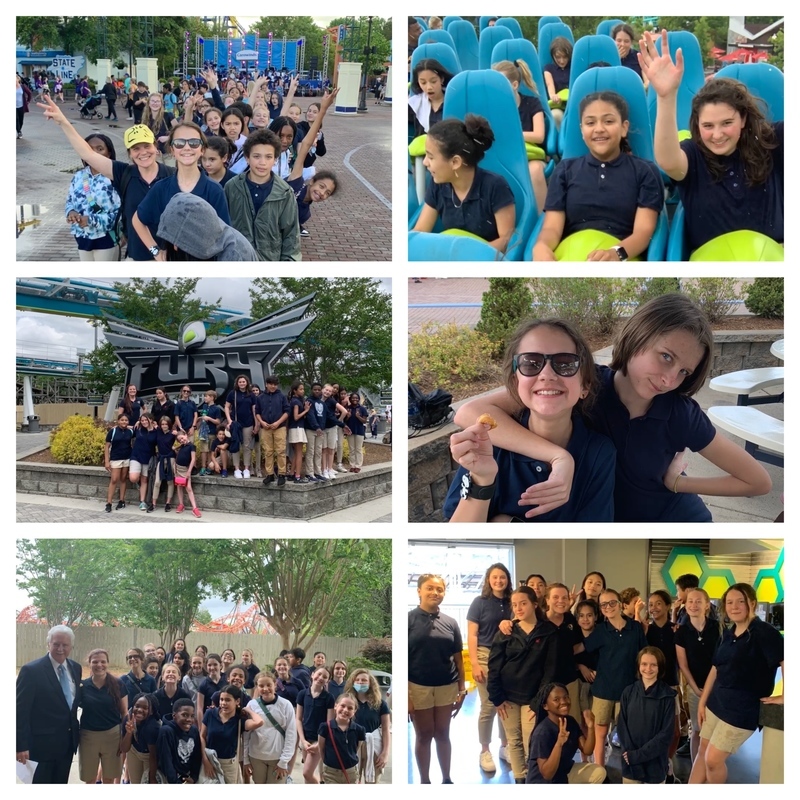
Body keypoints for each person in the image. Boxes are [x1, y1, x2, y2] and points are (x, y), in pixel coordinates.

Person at [456, 292, 772, 521]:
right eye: (666, 357)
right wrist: (557, 456)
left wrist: (678, 482)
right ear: (638, 336)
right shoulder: (581, 382)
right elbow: (469, 413)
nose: (669, 379)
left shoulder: (680, 415)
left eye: (683, 372)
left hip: (674, 522)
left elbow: (758, 481)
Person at [445, 317, 615, 521]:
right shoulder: (489, 443)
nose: (547, 374)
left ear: (585, 386)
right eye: (531, 363)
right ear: (516, 381)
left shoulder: (599, 454)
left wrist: (505, 523)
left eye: (565, 364)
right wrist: (482, 479)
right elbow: (459, 540)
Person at [640, 29, 783, 255]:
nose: (717, 135)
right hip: (710, 258)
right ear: (697, 126)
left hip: (772, 256)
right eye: (708, 126)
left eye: (727, 123)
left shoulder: (772, 141)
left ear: (743, 118)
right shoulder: (694, 155)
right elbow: (668, 161)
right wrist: (666, 97)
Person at [38, 95, 176, 261]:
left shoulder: (172, 175)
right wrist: (63, 122)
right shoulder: (123, 173)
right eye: (136, 149)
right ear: (130, 154)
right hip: (137, 255)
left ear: (155, 147)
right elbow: (87, 153)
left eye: (147, 146)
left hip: (170, 256)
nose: (143, 152)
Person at [533, 91, 663, 261]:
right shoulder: (565, 170)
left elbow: (643, 233)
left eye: (608, 121)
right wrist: (541, 246)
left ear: (624, 127)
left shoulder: (645, 171)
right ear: (582, 130)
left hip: (621, 258)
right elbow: (552, 228)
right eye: (590, 123)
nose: (599, 129)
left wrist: (616, 254)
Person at [690, 582, 784, 784]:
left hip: (742, 711)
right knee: (702, 750)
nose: (734, 607)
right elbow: (715, 668)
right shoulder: (728, 632)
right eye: (730, 602)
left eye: (740, 601)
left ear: (752, 603)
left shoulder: (765, 633)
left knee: (713, 760)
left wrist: (787, 696)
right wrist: (702, 701)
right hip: (716, 703)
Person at [413, 114, 516, 253]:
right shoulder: (438, 184)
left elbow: (507, 239)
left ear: (455, 162)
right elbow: (420, 231)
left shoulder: (495, 186)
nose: (425, 162)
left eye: (431, 157)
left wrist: (469, 256)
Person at [487, 585, 558, 782]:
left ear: (535, 604)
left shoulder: (548, 632)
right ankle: (520, 779)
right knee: (513, 741)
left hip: (533, 698)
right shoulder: (505, 632)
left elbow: (549, 670)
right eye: (515, 605)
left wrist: (538, 701)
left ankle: (534, 781)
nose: (518, 608)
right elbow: (494, 667)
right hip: (507, 697)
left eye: (523, 603)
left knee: (532, 741)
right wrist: (497, 698)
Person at [133, 123, 230, 261]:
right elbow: (137, 220)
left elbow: (224, 236)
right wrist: (156, 252)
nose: (187, 147)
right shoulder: (161, 188)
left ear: (202, 149)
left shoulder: (214, 190)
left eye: (194, 143)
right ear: (172, 150)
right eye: (179, 143)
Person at [573, 589, 647, 766]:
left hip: (628, 690)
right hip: (603, 690)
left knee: (627, 734)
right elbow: (581, 649)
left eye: (612, 602)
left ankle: (629, 771)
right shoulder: (600, 630)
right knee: (600, 733)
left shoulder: (635, 628)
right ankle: (600, 769)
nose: (608, 607)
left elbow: (644, 655)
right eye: (604, 604)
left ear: (620, 604)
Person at [408, 574, 466, 784]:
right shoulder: (408, 619)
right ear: (419, 591)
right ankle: (424, 781)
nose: (435, 593)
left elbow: (459, 660)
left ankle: (447, 779)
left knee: (443, 733)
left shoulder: (451, 623)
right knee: (424, 734)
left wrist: (462, 689)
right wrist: (406, 696)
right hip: (417, 687)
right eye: (430, 588)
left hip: (447, 686)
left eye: (439, 589)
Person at [224, 127, 301, 261]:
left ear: (275, 159)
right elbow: (223, 226)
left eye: (268, 157)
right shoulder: (232, 187)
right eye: (256, 156)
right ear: (247, 158)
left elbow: (291, 235)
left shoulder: (285, 193)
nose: (262, 162)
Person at [16, 625, 81, 783]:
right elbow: (20, 711)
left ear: (71, 646)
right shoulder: (31, 671)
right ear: (48, 644)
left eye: (65, 645)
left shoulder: (76, 668)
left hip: (66, 746)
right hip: (41, 748)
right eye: (56, 644)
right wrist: (20, 745)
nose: (60, 649)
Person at [466, 563, 512, 773]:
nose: (499, 581)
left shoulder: (512, 601)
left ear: (507, 579)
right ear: (488, 580)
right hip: (485, 656)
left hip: (509, 657)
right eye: (495, 577)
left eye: (502, 577)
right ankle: (485, 750)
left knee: (505, 704)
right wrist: (475, 663)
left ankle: (505, 746)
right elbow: (472, 634)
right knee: (489, 705)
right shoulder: (480, 602)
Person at [493, 59, 548, 211]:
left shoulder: (532, 103)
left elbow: (539, 136)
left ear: (515, 85)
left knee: (534, 170)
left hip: (532, 156)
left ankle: (543, 217)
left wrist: (512, 135)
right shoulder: (495, 109)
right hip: (505, 157)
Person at [675, 588, 722, 762]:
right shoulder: (681, 632)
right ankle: (697, 767)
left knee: (716, 730)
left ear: (707, 605)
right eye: (690, 601)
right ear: (685, 605)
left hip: (718, 688)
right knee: (697, 729)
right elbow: (683, 665)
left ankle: (712, 764)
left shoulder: (718, 628)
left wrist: (710, 688)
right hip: (695, 688)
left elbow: (720, 660)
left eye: (698, 601)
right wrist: (697, 690)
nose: (693, 605)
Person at [617, 647, 678, 783]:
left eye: (653, 665)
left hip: (654, 762)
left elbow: (666, 734)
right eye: (644, 664)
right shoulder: (628, 692)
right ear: (639, 666)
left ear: (660, 667)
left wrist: (638, 755)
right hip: (630, 760)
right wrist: (630, 754)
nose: (648, 669)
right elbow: (622, 725)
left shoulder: (667, 696)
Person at [284, 89, 339, 238]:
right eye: (322, 187)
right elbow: (306, 146)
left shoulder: (305, 213)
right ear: (312, 181)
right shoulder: (296, 182)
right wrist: (323, 110)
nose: (322, 193)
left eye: (327, 193)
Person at [525, 682, 605, 783]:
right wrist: (559, 743)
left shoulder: (570, 721)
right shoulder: (542, 732)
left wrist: (591, 727)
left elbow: (587, 750)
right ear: (545, 706)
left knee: (598, 772)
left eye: (566, 697)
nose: (563, 702)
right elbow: (547, 775)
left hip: (563, 773)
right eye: (556, 699)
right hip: (543, 782)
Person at [65, 134, 121, 261]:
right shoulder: (79, 176)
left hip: (105, 238)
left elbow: (120, 214)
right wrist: (71, 212)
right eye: (89, 149)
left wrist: (90, 220)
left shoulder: (115, 177)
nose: (94, 153)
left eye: (100, 149)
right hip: (82, 237)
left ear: (109, 153)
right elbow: (69, 201)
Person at [78, 648, 127, 783]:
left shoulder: (118, 684)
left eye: (103, 662)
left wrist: (125, 735)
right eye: (95, 662)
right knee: (90, 778)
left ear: (108, 663)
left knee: (109, 777)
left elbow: (124, 712)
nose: (99, 665)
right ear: (89, 664)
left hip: (112, 735)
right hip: (88, 736)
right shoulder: (82, 686)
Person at [201, 684, 262, 784]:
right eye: (221, 699)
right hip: (210, 761)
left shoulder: (239, 720)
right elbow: (202, 736)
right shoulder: (210, 713)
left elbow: (259, 722)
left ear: (237, 701)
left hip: (229, 765)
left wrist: (247, 710)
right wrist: (205, 760)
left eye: (228, 700)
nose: (223, 703)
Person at [243, 672, 297, 784]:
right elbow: (246, 734)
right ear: (257, 687)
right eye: (261, 686)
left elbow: (291, 734)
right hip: (256, 756)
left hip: (277, 757)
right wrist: (246, 759)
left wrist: (284, 761)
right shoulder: (251, 705)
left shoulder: (286, 705)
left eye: (269, 685)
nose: (265, 689)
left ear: (275, 685)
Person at [344, 670, 390, 783]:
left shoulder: (380, 704)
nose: (360, 683)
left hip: (374, 746)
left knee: (373, 781)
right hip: (352, 745)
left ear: (370, 683)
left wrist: (385, 753)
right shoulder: (348, 702)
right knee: (352, 780)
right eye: (357, 680)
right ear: (353, 682)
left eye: (364, 680)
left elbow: (385, 729)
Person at [295, 666, 335, 783]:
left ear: (328, 681)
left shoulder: (328, 698)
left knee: (307, 773)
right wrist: (302, 740)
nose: (321, 678)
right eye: (319, 674)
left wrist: (319, 743)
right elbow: (298, 719)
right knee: (307, 775)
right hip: (305, 739)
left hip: (318, 740)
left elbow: (329, 724)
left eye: (325, 677)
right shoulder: (302, 694)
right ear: (312, 674)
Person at [317, 694, 366, 784]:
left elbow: (356, 749)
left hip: (351, 772)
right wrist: (322, 774)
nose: (345, 710)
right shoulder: (325, 727)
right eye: (342, 706)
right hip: (330, 772)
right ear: (336, 706)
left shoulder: (359, 730)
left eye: (350, 708)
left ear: (355, 711)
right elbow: (321, 749)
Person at [157, 698, 203, 783]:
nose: (189, 719)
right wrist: (176, 782)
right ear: (174, 716)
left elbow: (197, 756)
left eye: (192, 716)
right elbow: (166, 762)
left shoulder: (194, 730)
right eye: (184, 715)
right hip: (170, 779)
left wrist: (194, 777)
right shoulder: (166, 732)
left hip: (187, 777)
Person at [119, 692, 160, 784]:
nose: (140, 710)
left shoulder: (152, 727)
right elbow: (124, 749)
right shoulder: (128, 719)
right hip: (134, 751)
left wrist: (152, 778)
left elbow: (153, 755)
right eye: (137, 706)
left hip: (148, 755)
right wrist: (129, 733)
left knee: (146, 782)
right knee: (135, 782)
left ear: (152, 711)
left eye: (145, 708)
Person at [256, 375, 290, 485]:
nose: (273, 386)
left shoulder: (282, 396)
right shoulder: (260, 397)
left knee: (281, 451)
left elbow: (287, 412)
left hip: (279, 427)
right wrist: (261, 422)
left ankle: (281, 474)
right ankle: (270, 474)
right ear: (266, 384)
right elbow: (257, 412)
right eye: (271, 384)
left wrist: (278, 422)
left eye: (275, 384)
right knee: (268, 451)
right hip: (265, 428)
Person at [408, 59, 454, 137]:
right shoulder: (413, 104)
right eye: (423, 83)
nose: (429, 87)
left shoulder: (454, 102)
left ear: (441, 79)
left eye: (433, 81)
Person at [225, 375, 257, 479]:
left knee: (247, 447)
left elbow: (254, 410)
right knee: (236, 446)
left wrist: (256, 424)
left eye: (243, 382)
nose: (242, 383)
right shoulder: (232, 393)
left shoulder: (251, 395)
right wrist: (230, 421)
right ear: (237, 383)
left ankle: (246, 469)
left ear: (247, 382)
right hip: (236, 423)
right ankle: (237, 469)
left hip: (248, 424)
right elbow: (226, 407)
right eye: (240, 382)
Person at [104, 412, 133, 512]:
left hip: (127, 458)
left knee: (123, 479)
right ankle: (109, 502)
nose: (124, 422)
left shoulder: (130, 432)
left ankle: (122, 500)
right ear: (118, 421)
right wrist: (107, 461)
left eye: (126, 420)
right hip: (116, 458)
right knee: (114, 480)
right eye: (122, 420)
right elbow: (107, 446)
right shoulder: (113, 431)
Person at [129, 412, 157, 510]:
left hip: (148, 458)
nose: (144, 422)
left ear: (151, 420)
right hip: (136, 456)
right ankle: (138, 483)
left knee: (144, 480)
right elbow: (127, 429)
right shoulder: (138, 428)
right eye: (142, 420)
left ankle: (142, 501)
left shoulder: (156, 431)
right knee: (133, 478)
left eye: (146, 420)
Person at [150, 415, 178, 512]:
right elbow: (148, 422)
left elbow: (182, 440)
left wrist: (177, 434)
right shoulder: (158, 431)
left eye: (166, 424)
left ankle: (168, 503)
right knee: (157, 482)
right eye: (162, 424)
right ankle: (153, 503)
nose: (164, 426)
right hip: (161, 458)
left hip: (170, 458)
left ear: (169, 424)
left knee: (170, 481)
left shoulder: (173, 434)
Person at [543, 37, 573, 127]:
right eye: (558, 57)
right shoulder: (548, 69)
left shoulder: (574, 66)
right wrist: (552, 95)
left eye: (565, 57)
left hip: (572, 103)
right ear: (553, 56)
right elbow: (550, 84)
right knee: (555, 115)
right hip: (558, 104)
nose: (562, 61)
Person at [286, 380, 310, 483]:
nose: (303, 391)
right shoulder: (296, 401)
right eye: (300, 389)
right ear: (295, 390)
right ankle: (298, 475)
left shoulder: (295, 400)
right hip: (297, 428)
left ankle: (292, 473)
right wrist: (306, 410)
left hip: (295, 428)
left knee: (296, 452)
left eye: (303, 389)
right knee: (299, 453)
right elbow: (296, 417)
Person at [174, 431, 202, 517]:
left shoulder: (192, 446)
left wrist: (189, 471)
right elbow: (178, 448)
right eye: (179, 440)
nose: (182, 440)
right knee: (179, 486)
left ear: (186, 435)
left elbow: (193, 459)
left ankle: (194, 508)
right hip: (177, 468)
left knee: (188, 488)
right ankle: (181, 504)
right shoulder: (182, 446)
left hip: (185, 469)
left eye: (182, 438)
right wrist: (175, 448)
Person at [196, 653, 225, 719]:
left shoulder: (226, 681)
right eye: (209, 665)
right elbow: (199, 709)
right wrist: (201, 727)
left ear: (220, 666)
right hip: (210, 719)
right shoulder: (203, 685)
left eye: (215, 664)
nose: (212, 668)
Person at [16, 74, 33, 138]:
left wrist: (28, 101)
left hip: (21, 106)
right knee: (16, 119)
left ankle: (19, 130)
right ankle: (19, 132)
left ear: (18, 79)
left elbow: (29, 93)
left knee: (20, 120)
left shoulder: (22, 86)